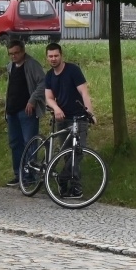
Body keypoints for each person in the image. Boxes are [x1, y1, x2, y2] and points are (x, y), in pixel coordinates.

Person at [40, 42, 94, 195]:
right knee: (66, 153)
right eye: (50, 56)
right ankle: (73, 187)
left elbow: (84, 93)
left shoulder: (73, 70)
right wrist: (56, 108)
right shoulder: (49, 75)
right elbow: (48, 98)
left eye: (56, 56)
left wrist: (90, 114)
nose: (53, 59)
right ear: (47, 58)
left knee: (78, 151)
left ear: (61, 56)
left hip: (78, 117)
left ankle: (62, 179)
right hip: (62, 118)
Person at [3, 39, 46, 186]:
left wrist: (33, 100)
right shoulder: (10, 66)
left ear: (23, 51)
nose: (13, 56)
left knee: (29, 142)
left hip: (26, 111)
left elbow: (43, 82)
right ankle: (18, 174)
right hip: (12, 110)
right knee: (15, 143)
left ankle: (30, 175)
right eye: (11, 54)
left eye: (16, 53)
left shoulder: (32, 64)